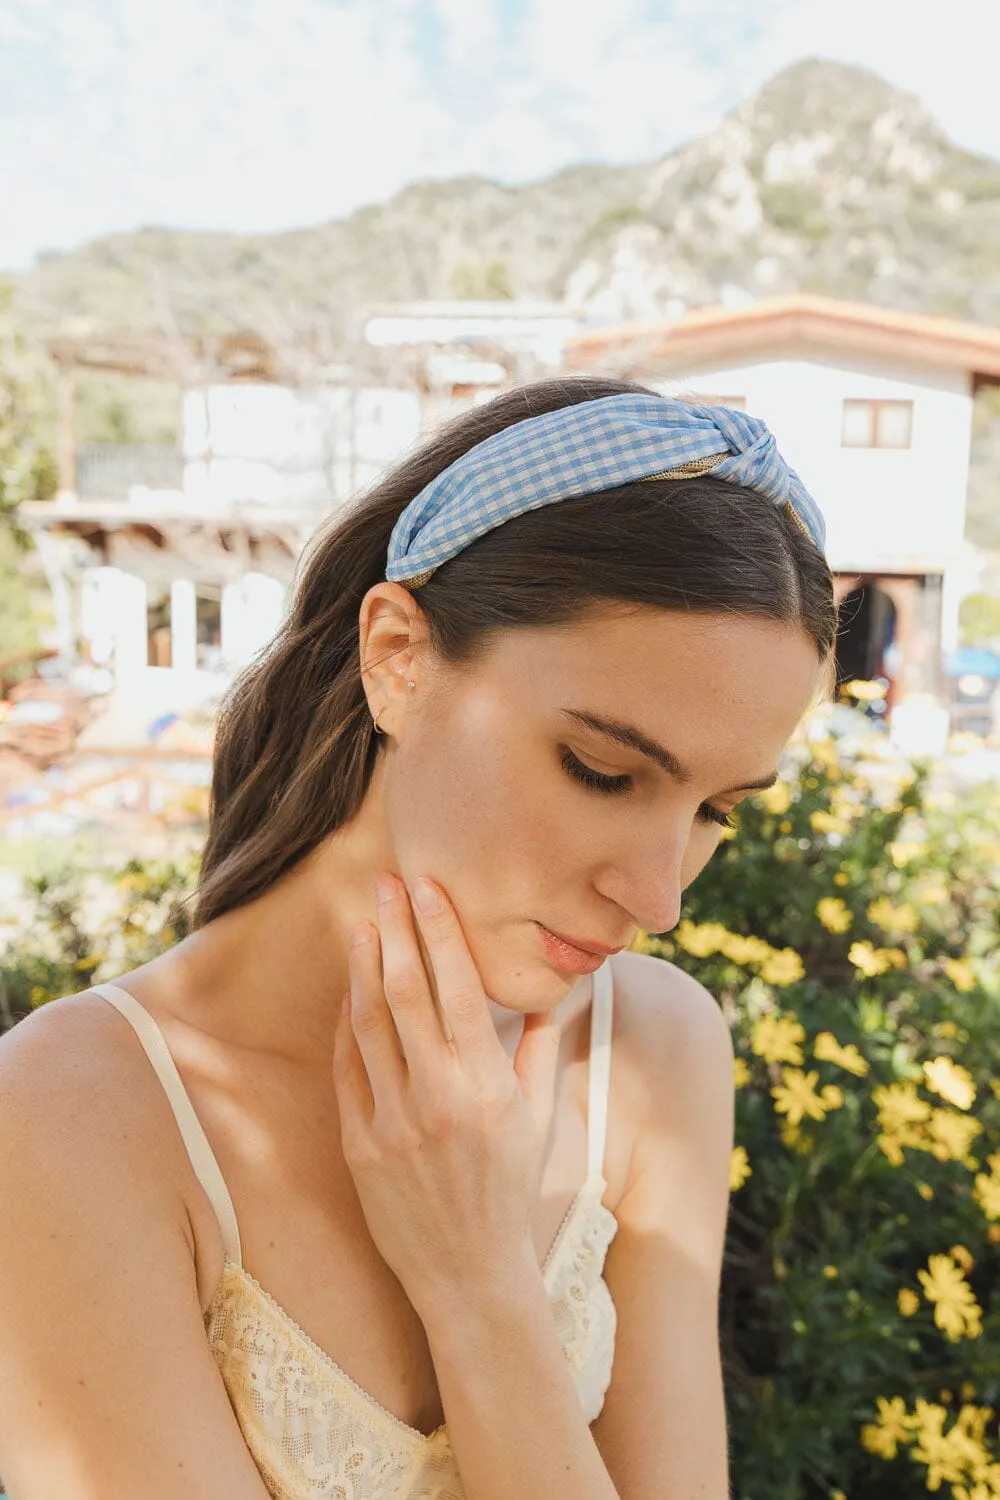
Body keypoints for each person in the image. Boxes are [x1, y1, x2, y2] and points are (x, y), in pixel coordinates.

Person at [0, 378, 835, 1500]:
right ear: (398, 655)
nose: (658, 898)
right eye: (602, 771)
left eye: (715, 812)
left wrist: (482, 1291)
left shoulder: (650, 1053)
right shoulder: (70, 1117)